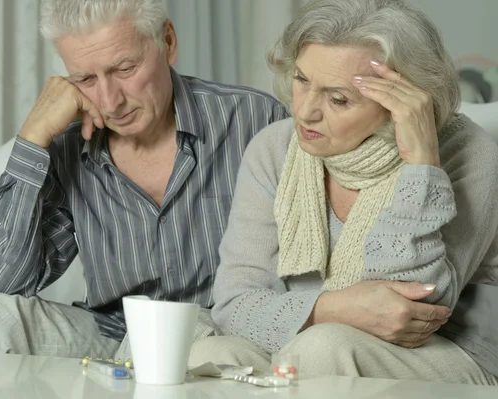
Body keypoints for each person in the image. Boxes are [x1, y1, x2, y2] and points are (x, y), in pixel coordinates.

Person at [0, 0, 289, 360]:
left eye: (125, 68)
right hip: (110, 333)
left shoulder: (255, 121)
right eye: (85, 79)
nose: (110, 101)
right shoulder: (67, 146)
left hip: (219, 332)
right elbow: (2, 283)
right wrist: (33, 136)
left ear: (168, 41)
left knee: (168, 339)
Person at [189, 0, 498, 385]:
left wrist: (421, 166)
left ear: (401, 101)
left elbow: (407, 313)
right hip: (305, 342)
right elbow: (234, 305)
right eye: (302, 80)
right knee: (208, 353)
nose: (304, 112)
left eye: (338, 99)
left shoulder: (470, 153)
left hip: (449, 356)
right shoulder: (274, 148)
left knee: (322, 349)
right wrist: (332, 308)